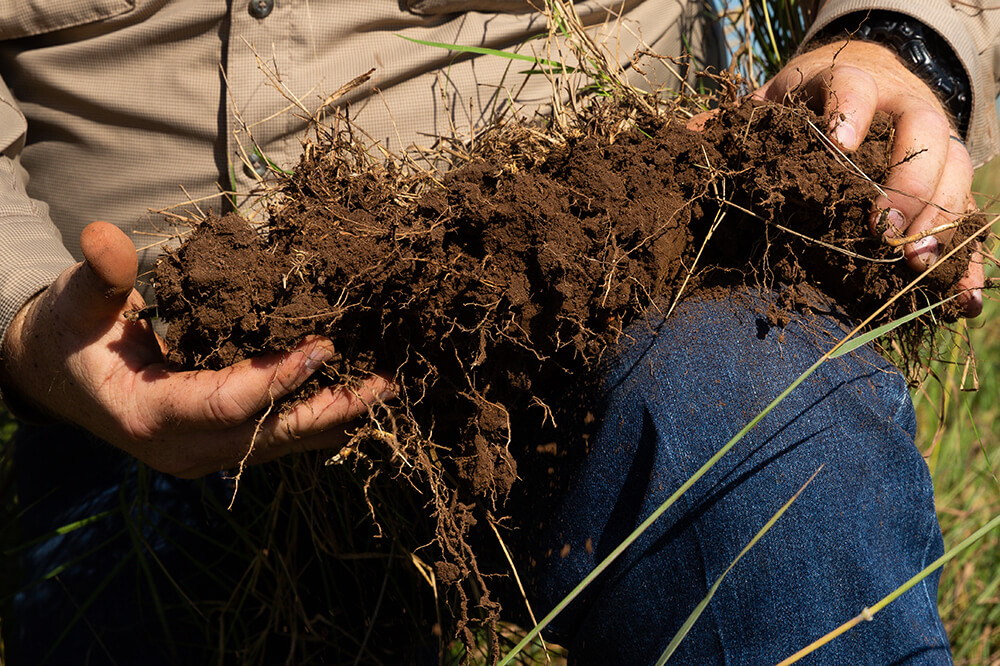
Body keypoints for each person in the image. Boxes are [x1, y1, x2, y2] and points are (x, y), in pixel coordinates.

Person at [0, 1, 996, 663]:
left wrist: (888, 41)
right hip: (119, 363)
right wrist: (28, 329)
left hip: (605, 269)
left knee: (765, 430)